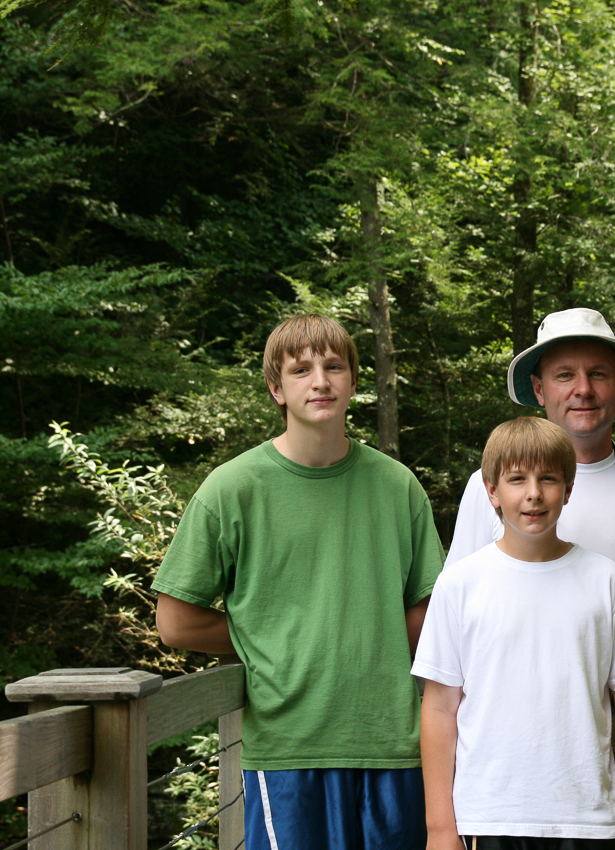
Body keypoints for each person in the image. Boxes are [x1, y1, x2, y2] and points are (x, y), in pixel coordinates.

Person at [153, 314, 443, 850]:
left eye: (335, 367)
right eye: (301, 369)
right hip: (287, 747)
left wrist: (366, 645)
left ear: (354, 381)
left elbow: (428, 612)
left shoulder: (398, 486)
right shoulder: (231, 488)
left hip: (392, 744)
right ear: (275, 388)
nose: (321, 381)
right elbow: (175, 621)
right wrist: (265, 638)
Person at [447, 309, 615, 848]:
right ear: (539, 388)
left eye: (598, 374)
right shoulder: (486, 486)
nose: (582, 390)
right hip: (527, 735)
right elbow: (461, 624)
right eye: (565, 375)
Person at [414, 416, 615, 850]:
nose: (533, 493)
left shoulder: (602, 580)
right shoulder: (460, 585)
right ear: (491, 490)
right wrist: (440, 828)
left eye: (548, 478)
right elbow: (438, 708)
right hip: (490, 817)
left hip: (586, 818)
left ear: (568, 489)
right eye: (516, 479)